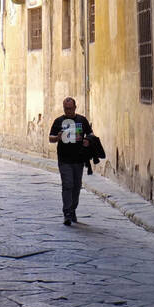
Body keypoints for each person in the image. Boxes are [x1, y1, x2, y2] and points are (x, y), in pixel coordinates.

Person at [48, 96, 94, 226]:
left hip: (78, 159)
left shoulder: (82, 120)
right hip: (64, 159)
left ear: (75, 107)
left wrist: (87, 140)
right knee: (67, 185)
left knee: (76, 186)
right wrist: (57, 137)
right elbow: (50, 138)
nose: (67, 111)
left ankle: (73, 209)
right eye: (65, 108)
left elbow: (90, 133)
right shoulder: (58, 121)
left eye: (70, 108)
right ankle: (67, 213)